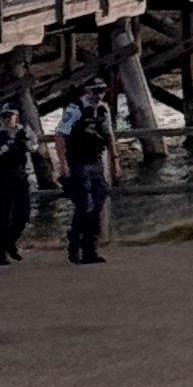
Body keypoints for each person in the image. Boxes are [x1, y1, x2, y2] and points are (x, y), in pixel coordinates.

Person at [62, 86, 115, 266]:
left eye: (102, 91)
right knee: (85, 205)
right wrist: (63, 164)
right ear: (87, 91)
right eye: (96, 91)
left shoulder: (103, 109)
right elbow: (60, 136)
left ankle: (90, 250)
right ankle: (74, 243)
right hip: (79, 161)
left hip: (97, 160)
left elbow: (109, 134)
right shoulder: (75, 108)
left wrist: (115, 160)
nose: (99, 95)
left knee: (98, 203)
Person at [0, 108, 32, 266]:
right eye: (5, 116)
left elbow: (35, 147)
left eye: (11, 116)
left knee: (24, 212)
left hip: (19, 177)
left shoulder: (24, 132)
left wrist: (29, 144)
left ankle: (10, 242)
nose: (8, 119)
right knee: (1, 216)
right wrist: (0, 152)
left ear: (17, 117)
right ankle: (0, 253)